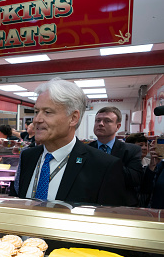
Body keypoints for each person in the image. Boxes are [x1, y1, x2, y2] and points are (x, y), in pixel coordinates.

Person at [10, 78, 126, 206]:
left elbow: (109, 219)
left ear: (73, 118)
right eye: (37, 112)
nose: (37, 119)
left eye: (47, 112)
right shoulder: (28, 157)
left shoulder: (103, 166)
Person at [88, 107, 142, 206]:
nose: (100, 124)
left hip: (120, 207)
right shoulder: (86, 150)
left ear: (118, 127)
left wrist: (105, 160)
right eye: (97, 120)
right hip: (90, 205)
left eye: (107, 121)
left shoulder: (131, 150)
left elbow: (135, 179)